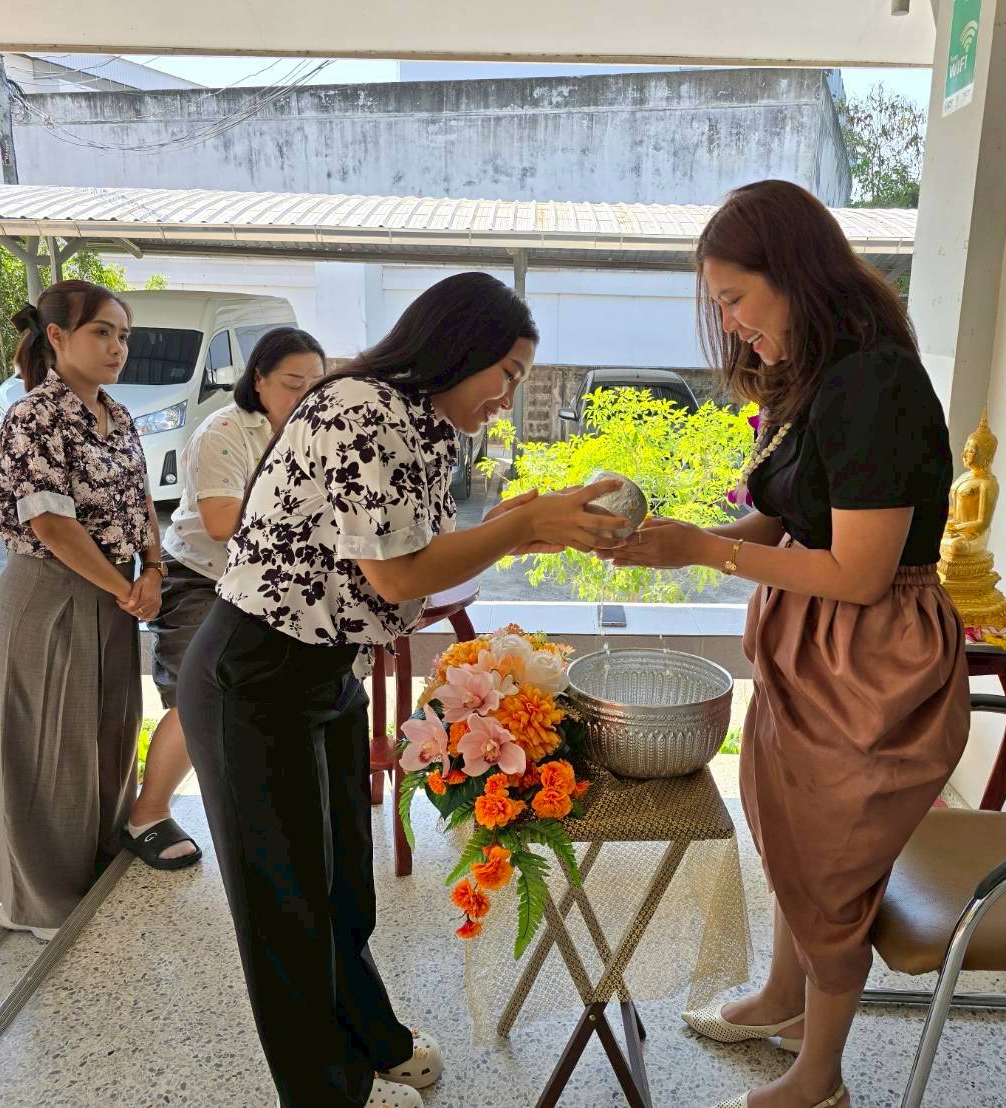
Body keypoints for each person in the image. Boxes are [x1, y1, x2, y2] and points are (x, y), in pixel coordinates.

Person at [176, 272, 625, 1108]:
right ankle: (325, 1091)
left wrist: (513, 525)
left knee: (343, 889)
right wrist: (518, 528)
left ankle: (373, 1039)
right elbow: (396, 575)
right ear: (458, 349)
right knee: (285, 910)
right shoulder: (360, 407)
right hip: (255, 674)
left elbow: (414, 549)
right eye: (508, 374)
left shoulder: (425, 426)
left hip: (326, 671)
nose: (508, 397)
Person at [609, 180, 968, 1108]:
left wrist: (705, 553)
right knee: (789, 833)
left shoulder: (875, 385)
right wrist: (682, 541)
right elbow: (784, 520)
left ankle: (819, 1076)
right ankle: (780, 996)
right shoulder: (814, 376)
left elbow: (860, 572)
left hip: (869, 657)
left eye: (735, 299)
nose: (729, 325)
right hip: (809, 644)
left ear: (795, 275)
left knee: (831, 865)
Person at [0, 279, 161, 942]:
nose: (117, 347)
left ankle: (95, 873)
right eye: (101, 332)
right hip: (49, 595)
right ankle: (40, 902)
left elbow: (143, 502)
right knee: (48, 749)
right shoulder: (33, 417)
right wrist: (127, 587)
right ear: (56, 337)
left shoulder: (119, 415)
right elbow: (52, 526)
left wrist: (154, 570)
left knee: (110, 736)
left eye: (123, 335)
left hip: (114, 593)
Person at [122, 327, 327, 869]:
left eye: (317, 383)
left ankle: (264, 804)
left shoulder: (315, 433)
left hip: (269, 581)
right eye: (293, 383)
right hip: (200, 575)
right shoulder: (225, 430)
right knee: (196, 698)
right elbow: (220, 522)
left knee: (267, 699)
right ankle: (147, 814)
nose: (307, 394)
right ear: (258, 380)